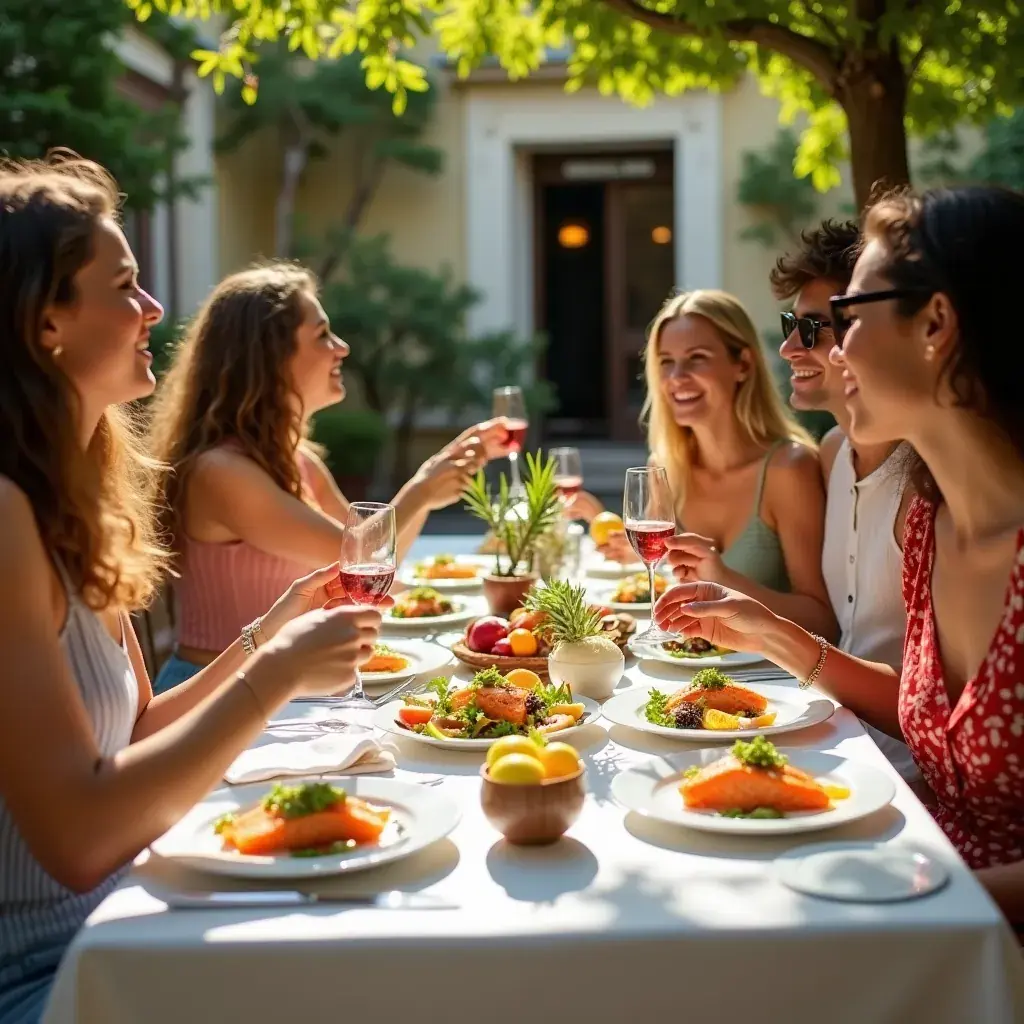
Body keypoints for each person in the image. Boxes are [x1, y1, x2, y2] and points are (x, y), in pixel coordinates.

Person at [0, 155, 385, 1023]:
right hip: (44, 979)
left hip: (121, 930)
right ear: (45, 321)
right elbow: (82, 834)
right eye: (126, 286)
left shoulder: (77, 500)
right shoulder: (4, 517)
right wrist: (276, 672)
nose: (154, 310)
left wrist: (272, 630)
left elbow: (134, 729)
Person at [654, 185, 1024, 929]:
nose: (821, 347)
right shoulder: (930, 529)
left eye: (844, 319)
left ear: (937, 325)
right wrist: (769, 633)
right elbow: (932, 724)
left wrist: (915, 908)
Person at [147, 263, 512, 692]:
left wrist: (431, 484)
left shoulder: (296, 460)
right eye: (322, 334)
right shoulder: (221, 472)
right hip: (213, 695)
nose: (341, 348)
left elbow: (377, 563)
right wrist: (422, 487)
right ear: (270, 357)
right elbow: (351, 554)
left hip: (284, 689)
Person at [580, 290, 835, 638]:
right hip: (689, 668)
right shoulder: (664, 467)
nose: (677, 377)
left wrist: (724, 580)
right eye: (666, 361)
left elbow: (823, 621)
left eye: (696, 358)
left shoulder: (788, 469)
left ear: (742, 365)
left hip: (775, 682)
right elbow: (676, 585)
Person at [772, 221, 920, 784]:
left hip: (902, 775)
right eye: (792, 325)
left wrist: (771, 631)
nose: (789, 347)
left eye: (814, 329)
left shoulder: (927, 482)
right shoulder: (829, 453)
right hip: (829, 739)